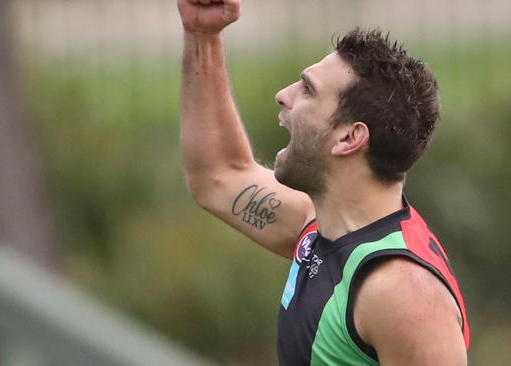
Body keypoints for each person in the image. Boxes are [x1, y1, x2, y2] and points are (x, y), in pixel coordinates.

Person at [177, 0, 470, 364]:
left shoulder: (401, 293)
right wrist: (202, 34)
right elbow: (218, 176)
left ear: (349, 138)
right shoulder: (320, 227)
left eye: (308, 90)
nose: (283, 96)